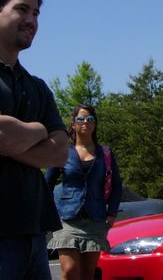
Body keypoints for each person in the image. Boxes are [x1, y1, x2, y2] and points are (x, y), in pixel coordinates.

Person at [0, 0, 69, 279]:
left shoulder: (37, 87)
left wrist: (23, 135)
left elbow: (59, 154)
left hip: (34, 230)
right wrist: (41, 130)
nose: (31, 20)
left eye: (36, 13)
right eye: (22, 9)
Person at [45, 104, 122, 280]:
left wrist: (112, 213)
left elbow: (117, 186)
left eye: (90, 119)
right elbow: (47, 183)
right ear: (73, 124)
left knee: (88, 275)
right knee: (70, 271)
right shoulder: (63, 150)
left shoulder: (106, 153)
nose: (85, 122)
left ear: (95, 124)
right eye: (80, 119)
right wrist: (48, 212)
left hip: (95, 218)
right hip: (67, 218)